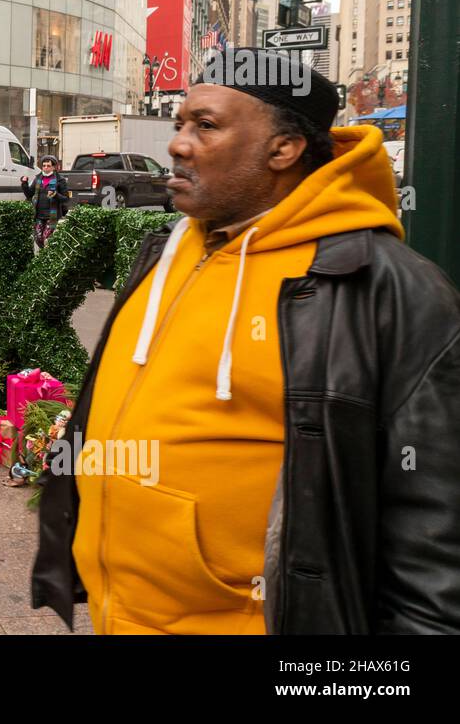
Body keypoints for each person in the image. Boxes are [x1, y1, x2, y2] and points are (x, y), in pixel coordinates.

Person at [32, 48, 460, 634]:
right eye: (181, 124)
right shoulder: (168, 248)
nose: (178, 144)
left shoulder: (388, 288)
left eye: (205, 126)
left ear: (283, 149)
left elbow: (434, 549)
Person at [22, 155, 69, 248]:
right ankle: (47, 254)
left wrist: (55, 195)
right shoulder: (38, 179)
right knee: (38, 238)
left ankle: (47, 255)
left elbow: (66, 198)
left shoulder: (60, 180)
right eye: (44, 166)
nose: (46, 168)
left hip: (52, 216)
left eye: (48, 166)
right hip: (39, 215)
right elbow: (29, 194)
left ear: (54, 167)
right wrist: (24, 184)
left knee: (46, 238)